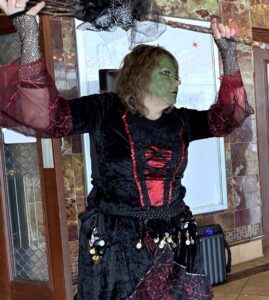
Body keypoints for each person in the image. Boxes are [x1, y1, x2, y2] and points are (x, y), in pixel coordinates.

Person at [0, 0, 253, 298]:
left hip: (174, 238)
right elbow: (46, 116)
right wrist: (28, 30)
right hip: (117, 241)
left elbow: (229, 117)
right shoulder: (104, 109)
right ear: (139, 75)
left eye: (177, 75)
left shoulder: (181, 121)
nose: (177, 82)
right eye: (166, 74)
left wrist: (227, 51)